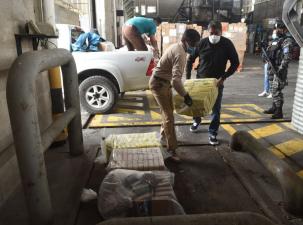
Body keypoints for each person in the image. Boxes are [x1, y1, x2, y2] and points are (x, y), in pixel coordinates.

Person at [149, 29, 201, 162]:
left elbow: (173, 80)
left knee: (167, 113)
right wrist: (186, 96)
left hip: (162, 83)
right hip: (159, 84)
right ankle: (171, 150)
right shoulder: (180, 54)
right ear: (186, 41)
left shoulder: (177, 47)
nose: (194, 47)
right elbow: (176, 81)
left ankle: (163, 137)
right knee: (169, 117)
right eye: (194, 44)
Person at [186, 21, 239, 145]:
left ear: (221, 32)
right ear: (207, 32)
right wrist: (188, 78)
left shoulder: (227, 44)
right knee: (198, 104)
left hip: (217, 83)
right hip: (201, 81)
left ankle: (213, 132)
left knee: (216, 108)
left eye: (216, 33)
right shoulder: (202, 43)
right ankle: (196, 120)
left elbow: (235, 63)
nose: (214, 35)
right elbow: (190, 60)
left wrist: (224, 77)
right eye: (211, 33)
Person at [263, 19, 293, 119]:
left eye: (279, 28)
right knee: (272, 88)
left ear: (284, 29)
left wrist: (281, 68)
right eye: (276, 28)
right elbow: (268, 52)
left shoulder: (287, 41)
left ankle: (279, 112)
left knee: (276, 89)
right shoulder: (275, 41)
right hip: (271, 67)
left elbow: (287, 56)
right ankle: (274, 107)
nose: (277, 30)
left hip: (279, 69)